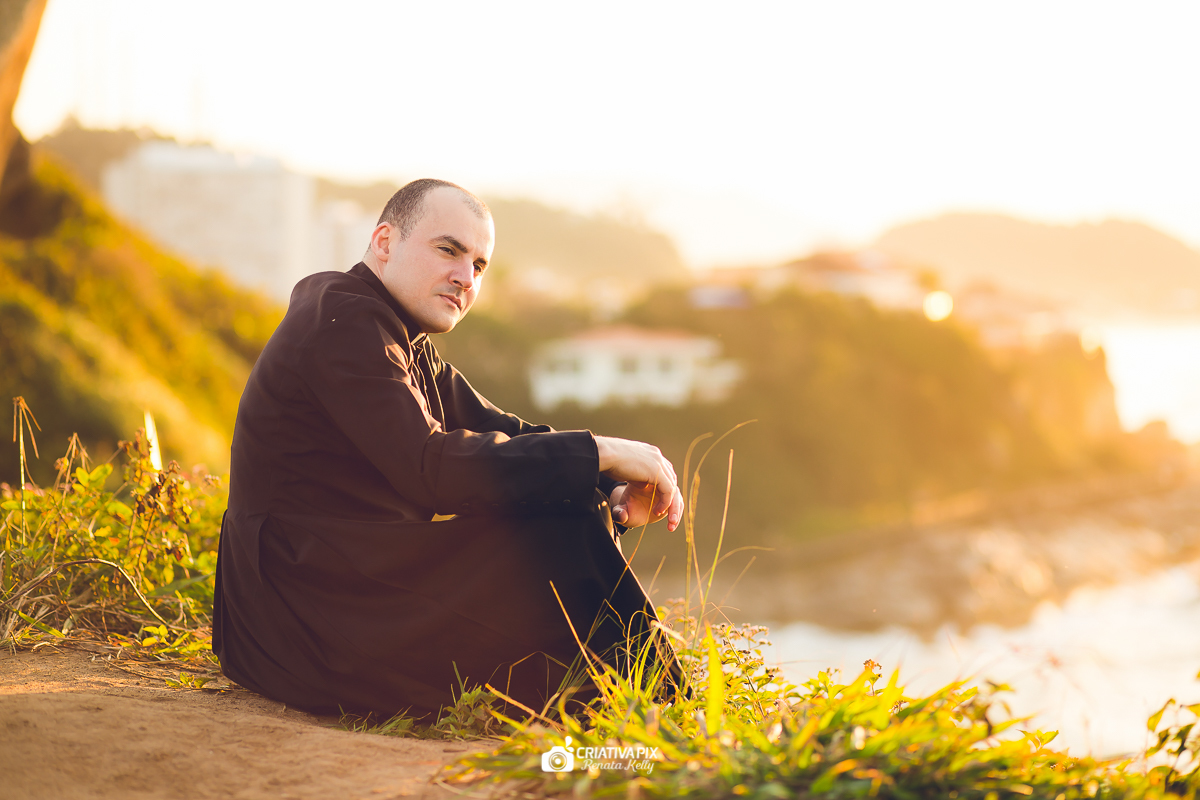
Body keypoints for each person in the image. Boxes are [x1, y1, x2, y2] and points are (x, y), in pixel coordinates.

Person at [213, 178, 684, 718]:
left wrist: (611, 484)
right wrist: (601, 453)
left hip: (345, 589)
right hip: (298, 616)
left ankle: (634, 702)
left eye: (479, 265)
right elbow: (432, 469)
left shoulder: (399, 334)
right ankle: (667, 709)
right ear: (384, 242)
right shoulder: (342, 322)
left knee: (571, 499)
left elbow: (505, 432)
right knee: (567, 523)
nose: (466, 277)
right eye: (448, 250)